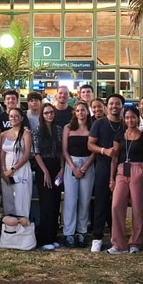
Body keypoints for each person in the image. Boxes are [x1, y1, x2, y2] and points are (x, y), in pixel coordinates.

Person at [87, 93, 124, 252]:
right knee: (101, 202)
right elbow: (90, 145)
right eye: (111, 103)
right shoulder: (99, 123)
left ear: (122, 106)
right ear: (106, 106)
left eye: (117, 104)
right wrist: (104, 151)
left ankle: (118, 237)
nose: (114, 106)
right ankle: (97, 237)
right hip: (102, 166)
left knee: (118, 204)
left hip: (122, 168)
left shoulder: (125, 123)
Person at [108, 106, 143, 254]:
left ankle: (135, 242)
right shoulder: (119, 135)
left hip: (137, 169)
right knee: (117, 205)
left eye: (133, 117)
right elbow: (115, 156)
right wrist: (112, 178)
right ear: (124, 119)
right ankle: (118, 243)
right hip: (121, 170)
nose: (130, 120)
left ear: (138, 118)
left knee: (137, 207)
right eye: (128, 117)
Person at [61, 101, 93, 248]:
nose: (80, 112)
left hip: (88, 164)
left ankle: (81, 231)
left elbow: (94, 150)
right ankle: (68, 232)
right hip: (71, 164)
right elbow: (64, 150)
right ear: (74, 112)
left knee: (85, 199)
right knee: (70, 199)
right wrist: (73, 167)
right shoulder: (68, 128)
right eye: (78, 110)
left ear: (87, 112)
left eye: (83, 110)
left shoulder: (92, 128)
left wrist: (85, 166)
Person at [32, 103, 63, 250]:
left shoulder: (58, 130)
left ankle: (53, 236)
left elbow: (62, 151)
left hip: (57, 168)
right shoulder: (37, 130)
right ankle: (44, 239)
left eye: (51, 112)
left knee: (56, 203)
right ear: (42, 115)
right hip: (43, 169)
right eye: (46, 113)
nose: (49, 115)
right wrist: (45, 172)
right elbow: (36, 153)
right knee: (46, 203)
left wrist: (62, 169)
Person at [0, 107, 33, 219]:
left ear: (21, 118)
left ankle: (22, 229)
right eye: (11, 116)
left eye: (17, 116)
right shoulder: (4, 134)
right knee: (8, 201)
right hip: (6, 171)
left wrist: (12, 170)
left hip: (21, 170)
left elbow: (27, 155)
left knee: (21, 200)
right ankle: (10, 230)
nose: (14, 118)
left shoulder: (26, 133)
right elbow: (2, 154)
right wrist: (3, 171)